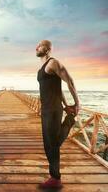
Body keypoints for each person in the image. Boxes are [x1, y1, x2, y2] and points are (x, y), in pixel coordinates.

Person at [36, 40, 80, 189]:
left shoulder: (53, 63)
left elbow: (70, 81)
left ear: (47, 49)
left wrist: (77, 103)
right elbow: (58, 90)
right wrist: (67, 105)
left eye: (40, 45)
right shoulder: (43, 67)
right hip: (46, 108)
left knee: (52, 145)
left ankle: (55, 178)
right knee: (49, 144)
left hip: (53, 109)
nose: (36, 47)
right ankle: (55, 177)